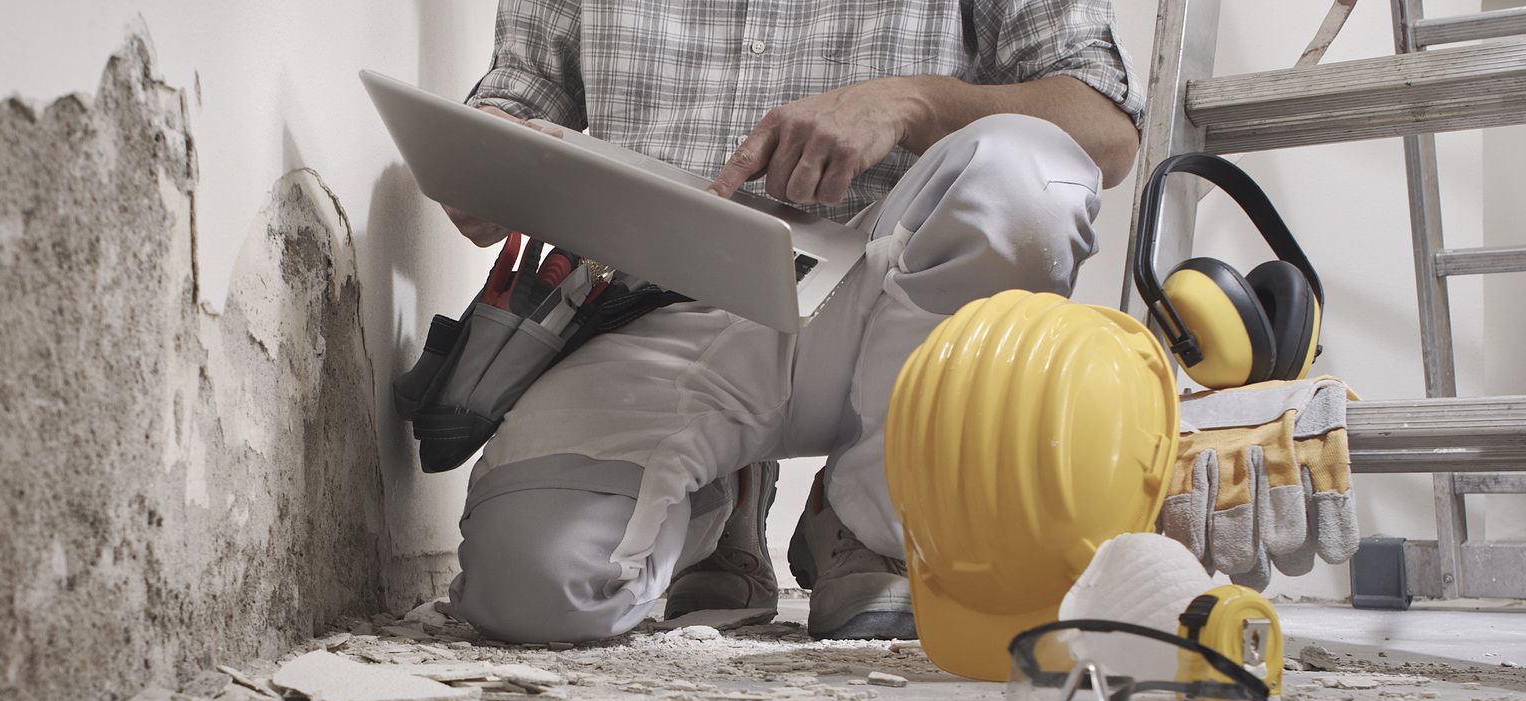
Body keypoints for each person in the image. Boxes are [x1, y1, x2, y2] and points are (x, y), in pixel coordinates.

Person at [436, 1, 1144, 644]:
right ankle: (723, 495)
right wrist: (485, 148)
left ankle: (874, 522)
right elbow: (522, 87)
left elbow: (1104, 129)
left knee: (1032, 171)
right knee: (533, 594)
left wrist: (909, 102)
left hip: (892, 297)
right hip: (657, 310)